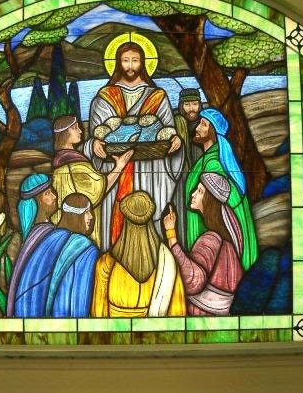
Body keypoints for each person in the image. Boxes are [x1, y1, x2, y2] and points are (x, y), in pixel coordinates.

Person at [84, 42, 184, 251]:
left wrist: (176, 141)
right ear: (117, 63)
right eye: (125, 60)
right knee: (116, 221)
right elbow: (95, 136)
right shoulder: (104, 96)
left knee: (149, 216)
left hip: (151, 172)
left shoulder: (158, 96)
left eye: (135, 60)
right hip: (115, 170)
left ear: (143, 63)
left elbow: (168, 130)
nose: (130, 66)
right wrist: (94, 144)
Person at [7, 174, 99, 318]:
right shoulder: (49, 234)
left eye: (52, 191)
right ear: (36, 202)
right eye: (47, 193)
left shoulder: (37, 233)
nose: (55, 196)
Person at [91, 190, 186, 318]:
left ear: (125, 223)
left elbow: (99, 314)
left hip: (116, 330)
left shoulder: (106, 263)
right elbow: (177, 313)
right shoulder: (167, 263)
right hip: (153, 331)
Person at [185, 108, 258, 272]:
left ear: (212, 132)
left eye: (203, 124)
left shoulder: (213, 163)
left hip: (211, 239)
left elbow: (216, 208)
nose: (197, 128)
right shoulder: (207, 158)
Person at [164, 173, 244, 316]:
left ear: (210, 200)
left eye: (200, 191)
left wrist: (171, 234)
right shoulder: (227, 241)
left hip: (202, 315)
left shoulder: (211, 239)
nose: (193, 194)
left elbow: (193, 281)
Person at [51, 115, 133, 248]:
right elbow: (99, 190)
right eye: (75, 128)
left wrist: (93, 143)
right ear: (65, 133)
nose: (80, 131)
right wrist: (119, 167)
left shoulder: (60, 161)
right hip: (81, 223)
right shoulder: (75, 165)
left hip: (65, 222)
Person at [173, 88, 204, 241]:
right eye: (187, 104)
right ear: (181, 106)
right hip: (181, 178)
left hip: (203, 176)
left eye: (194, 104)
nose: (191, 108)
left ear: (200, 105)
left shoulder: (205, 124)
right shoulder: (174, 124)